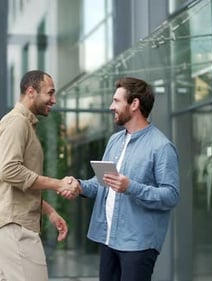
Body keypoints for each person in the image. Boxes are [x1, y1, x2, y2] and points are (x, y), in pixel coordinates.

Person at [75, 76, 180, 281]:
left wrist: (131, 187)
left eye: (116, 101)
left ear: (134, 104)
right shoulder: (115, 140)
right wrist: (79, 186)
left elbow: (171, 195)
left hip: (138, 244)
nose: (111, 106)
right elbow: (102, 183)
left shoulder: (161, 147)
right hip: (108, 239)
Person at [0, 70, 79, 281]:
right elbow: (9, 171)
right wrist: (58, 184)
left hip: (11, 223)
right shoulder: (16, 122)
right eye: (50, 93)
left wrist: (50, 212)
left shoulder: (24, 124)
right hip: (12, 225)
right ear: (31, 92)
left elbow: (19, 183)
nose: (53, 100)